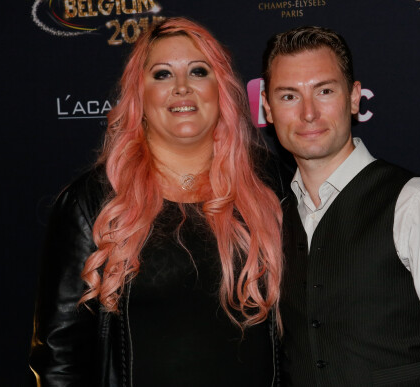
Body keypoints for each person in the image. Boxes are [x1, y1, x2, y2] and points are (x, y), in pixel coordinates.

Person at [30, 17, 284, 387]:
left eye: (199, 71)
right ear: (138, 94)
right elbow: (59, 356)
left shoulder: (269, 182)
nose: (182, 87)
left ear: (222, 89)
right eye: (162, 74)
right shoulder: (94, 201)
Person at [261, 26, 420, 386]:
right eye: (289, 96)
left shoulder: (419, 203)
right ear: (268, 109)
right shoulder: (275, 217)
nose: (308, 113)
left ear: (354, 97)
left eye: (325, 91)